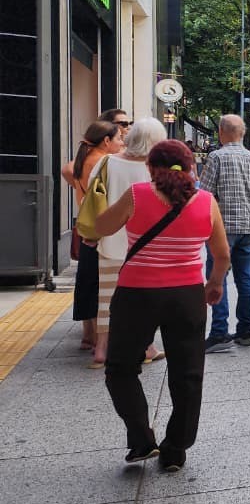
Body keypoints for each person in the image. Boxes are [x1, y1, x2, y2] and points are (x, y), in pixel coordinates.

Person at [96, 140, 230, 470]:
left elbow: (99, 227)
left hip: (136, 295)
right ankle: (175, 449)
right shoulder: (206, 201)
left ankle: (142, 440)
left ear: (150, 168)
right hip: (187, 296)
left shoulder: (138, 195)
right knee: (188, 374)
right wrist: (213, 284)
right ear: (189, 168)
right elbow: (222, 254)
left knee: (121, 368)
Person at [90, 118, 169, 368]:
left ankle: (101, 349)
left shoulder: (106, 162)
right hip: (146, 247)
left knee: (106, 298)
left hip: (111, 240)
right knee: (144, 298)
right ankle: (147, 346)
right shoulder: (157, 168)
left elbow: (92, 196)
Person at [200, 114, 250, 352]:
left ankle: (220, 332)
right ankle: (246, 331)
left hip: (221, 229)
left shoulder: (216, 157)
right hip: (248, 229)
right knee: (245, 278)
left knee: (217, 276)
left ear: (222, 132)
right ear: (242, 134)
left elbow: (204, 194)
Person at [61, 119, 125, 358]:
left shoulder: (80, 161)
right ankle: (100, 339)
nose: (121, 143)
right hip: (101, 229)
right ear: (106, 141)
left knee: (86, 281)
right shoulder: (104, 162)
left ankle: (88, 335)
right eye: (118, 138)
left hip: (84, 225)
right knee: (103, 285)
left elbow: (66, 170)